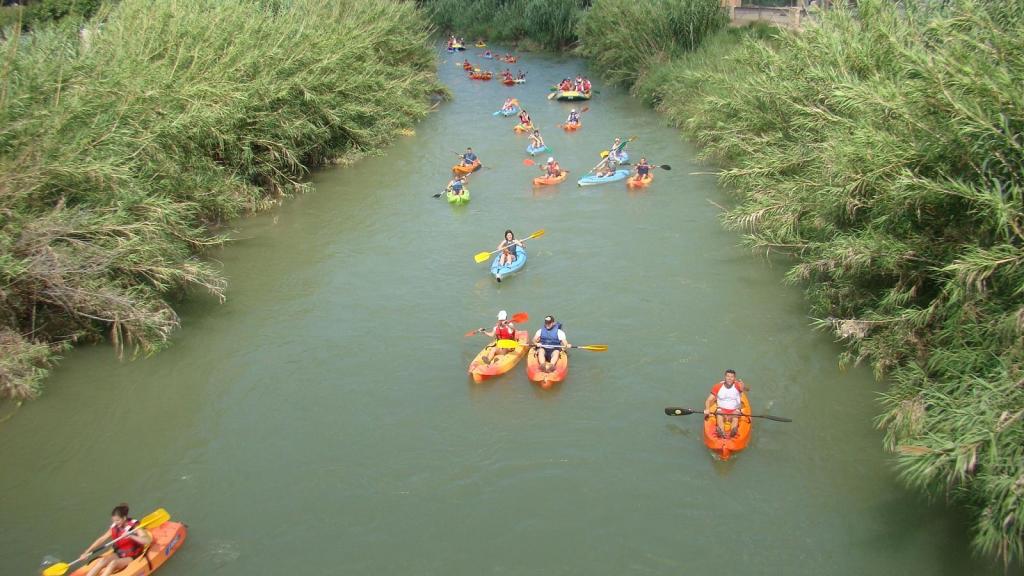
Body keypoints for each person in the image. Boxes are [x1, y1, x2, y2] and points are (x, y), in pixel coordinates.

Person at [78, 504, 152, 576]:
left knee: (113, 563)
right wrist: (86, 552)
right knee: (102, 561)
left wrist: (131, 535)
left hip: (132, 556)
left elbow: (147, 540)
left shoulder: (135, 527)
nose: (116, 523)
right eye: (114, 521)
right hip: (119, 553)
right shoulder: (115, 526)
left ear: (124, 518)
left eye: (118, 520)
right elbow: (102, 539)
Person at [703, 369, 747, 438]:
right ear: (725, 377)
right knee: (719, 415)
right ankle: (721, 432)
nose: (729, 378)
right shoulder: (717, 387)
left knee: (735, 416)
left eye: (732, 377)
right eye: (728, 376)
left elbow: (747, 389)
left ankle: (733, 431)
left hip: (734, 410)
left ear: (734, 378)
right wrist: (707, 409)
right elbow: (708, 400)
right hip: (721, 410)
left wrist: (744, 388)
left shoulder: (738, 386)